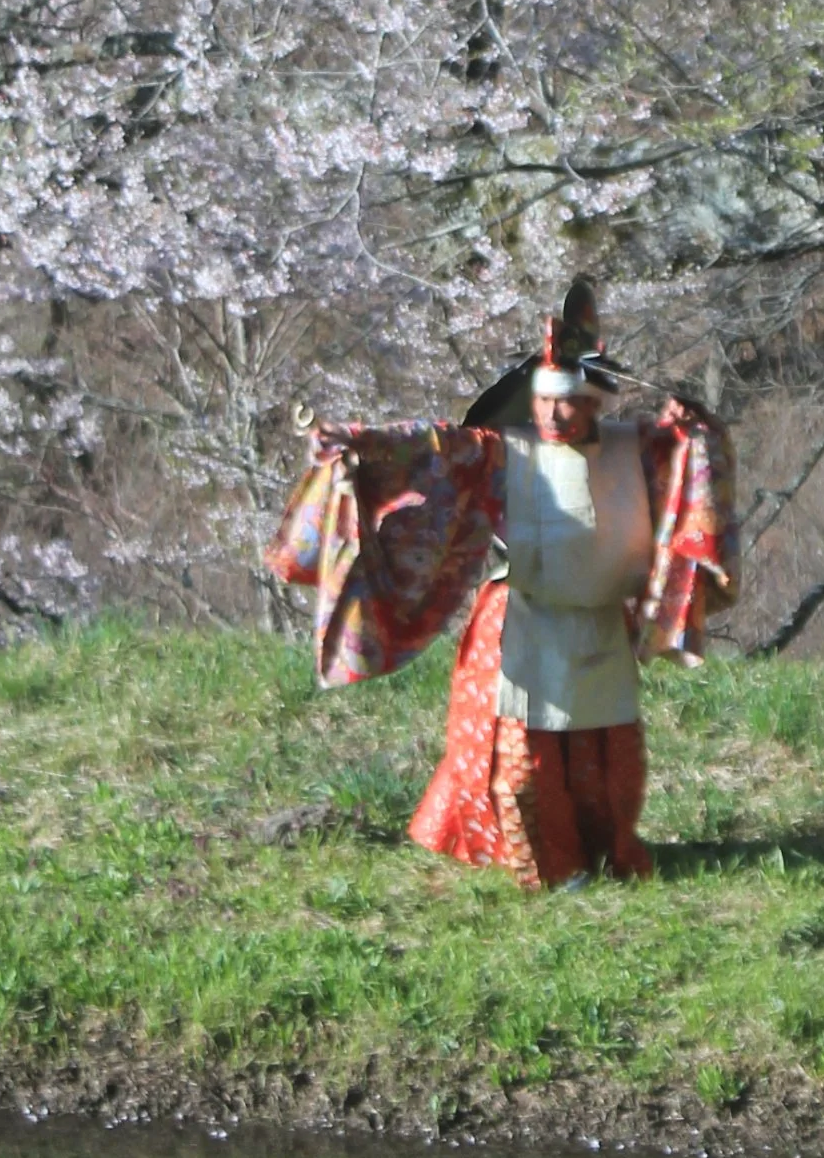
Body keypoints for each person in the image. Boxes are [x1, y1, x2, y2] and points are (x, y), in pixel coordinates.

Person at [265, 297, 734, 893]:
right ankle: (549, 870)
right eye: (544, 400)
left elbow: (691, 450)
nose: (554, 413)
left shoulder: (635, 448)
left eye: (569, 400)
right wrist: (359, 441)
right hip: (522, 619)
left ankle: (605, 856)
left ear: (595, 402)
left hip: (600, 626)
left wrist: (693, 426)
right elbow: (432, 446)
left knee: (606, 766)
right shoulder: (501, 452)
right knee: (519, 768)